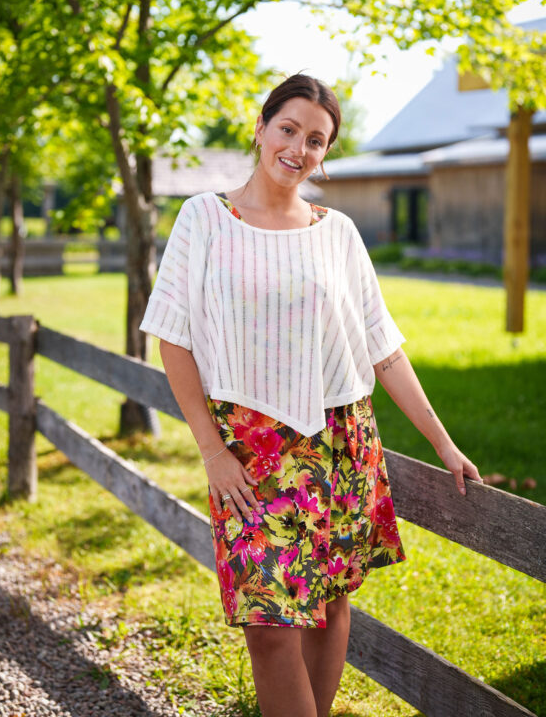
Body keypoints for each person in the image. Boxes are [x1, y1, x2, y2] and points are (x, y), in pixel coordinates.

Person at [140, 74, 483, 717]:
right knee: (269, 633)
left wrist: (443, 441)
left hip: (340, 443)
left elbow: (383, 347)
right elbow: (173, 340)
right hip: (250, 455)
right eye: (289, 129)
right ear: (262, 128)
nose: (299, 149)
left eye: (317, 140)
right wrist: (212, 453)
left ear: (326, 153)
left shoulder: (338, 232)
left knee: (328, 608)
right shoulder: (205, 220)